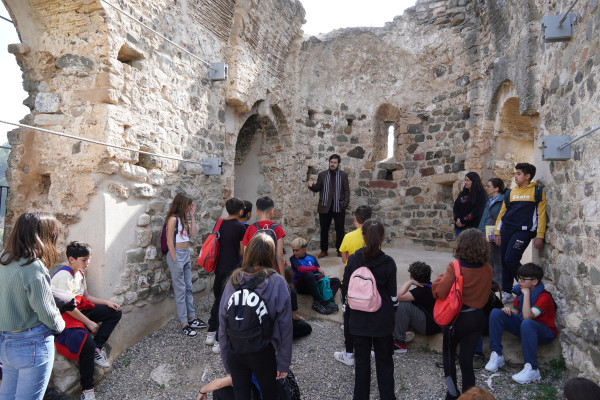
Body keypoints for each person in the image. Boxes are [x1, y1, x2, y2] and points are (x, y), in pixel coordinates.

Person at [218, 233, 292, 400]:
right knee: (270, 393)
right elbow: (285, 326)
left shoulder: (234, 279)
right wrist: (283, 361)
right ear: (270, 254)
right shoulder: (277, 282)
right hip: (263, 351)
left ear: (248, 252)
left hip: (236, 349)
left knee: (241, 394)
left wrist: (226, 358)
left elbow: (223, 322)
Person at [0, 212, 65, 400]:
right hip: (31, 342)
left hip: (6, 341)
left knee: (7, 396)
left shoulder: (3, 259)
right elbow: (46, 311)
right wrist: (60, 326)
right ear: (43, 235)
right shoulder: (33, 266)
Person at [51, 241, 123, 400]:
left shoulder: (80, 273)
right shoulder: (64, 275)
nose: (87, 263)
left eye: (88, 259)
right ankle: (87, 390)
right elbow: (67, 307)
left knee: (114, 313)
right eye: (84, 260)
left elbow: (87, 297)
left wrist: (107, 303)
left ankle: (98, 347)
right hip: (65, 316)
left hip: (80, 309)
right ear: (71, 259)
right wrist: (89, 322)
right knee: (85, 344)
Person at [433, 228, 492, 400]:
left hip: (458, 319)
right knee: (467, 361)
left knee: (449, 356)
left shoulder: (455, 266)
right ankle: (470, 395)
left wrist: (438, 280)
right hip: (477, 318)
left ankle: (452, 394)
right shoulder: (488, 269)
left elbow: (440, 292)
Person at [342, 219, 398, 400]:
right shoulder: (389, 263)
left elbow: (346, 289)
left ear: (363, 236)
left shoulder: (353, 260)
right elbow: (393, 295)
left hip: (359, 319)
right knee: (385, 363)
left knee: (362, 363)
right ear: (383, 237)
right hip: (382, 320)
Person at [485, 263, 557, 384]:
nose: (519, 281)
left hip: (544, 332)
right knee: (496, 313)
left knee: (527, 323)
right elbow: (518, 312)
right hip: (526, 327)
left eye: (523, 279)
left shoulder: (544, 297)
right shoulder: (521, 293)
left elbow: (527, 316)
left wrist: (527, 294)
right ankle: (497, 355)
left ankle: (532, 369)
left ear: (534, 281)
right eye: (518, 278)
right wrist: (509, 310)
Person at [494, 163, 547, 303]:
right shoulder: (510, 193)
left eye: (518, 173)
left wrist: (540, 235)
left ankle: (528, 286)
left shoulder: (537, 191)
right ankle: (507, 292)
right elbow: (502, 213)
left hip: (524, 231)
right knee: (504, 261)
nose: (515, 176)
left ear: (527, 176)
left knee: (511, 259)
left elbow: (541, 215)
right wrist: (497, 232)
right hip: (506, 229)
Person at [206, 198, 247, 353]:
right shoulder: (240, 227)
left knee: (218, 300)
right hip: (232, 269)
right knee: (227, 304)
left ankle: (211, 332)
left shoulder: (219, 223)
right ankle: (219, 341)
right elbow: (241, 251)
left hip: (218, 267)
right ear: (241, 211)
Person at [165, 192, 206, 337]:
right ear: (183, 204)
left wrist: (192, 216)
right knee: (180, 289)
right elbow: (169, 241)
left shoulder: (183, 219)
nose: (190, 207)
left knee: (188, 287)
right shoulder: (172, 219)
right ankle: (184, 323)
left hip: (185, 254)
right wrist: (175, 259)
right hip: (176, 254)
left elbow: (193, 234)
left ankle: (192, 318)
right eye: (189, 205)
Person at [334, 205, 372, 365]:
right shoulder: (373, 236)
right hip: (369, 281)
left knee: (348, 313)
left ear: (355, 219)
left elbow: (344, 259)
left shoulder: (349, 237)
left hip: (351, 280)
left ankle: (349, 353)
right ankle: (368, 348)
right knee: (368, 314)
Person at [307, 154, 350, 258]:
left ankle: (340, 250)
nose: (332, 164)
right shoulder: (322, 175)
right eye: (331, 162)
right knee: (324, 229)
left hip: (339, 206)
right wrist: (311, 186)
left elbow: (346, 191)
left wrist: (344, 204)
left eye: (335, 163)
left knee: (340, 229)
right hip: (325, 206)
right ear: (329, 163)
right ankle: (324, 250)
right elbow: (317, 188)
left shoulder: (343, 175)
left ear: (338, 164)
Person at [393, 261, 440, 353]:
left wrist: (410, 282)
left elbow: (397, 297)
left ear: (412, 277)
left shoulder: (421, 291)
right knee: (408, 301)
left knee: (402, 305)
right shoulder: (430, 287)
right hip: (433, 322)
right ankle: (405, 329)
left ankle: (400, 343)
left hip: (429, 326)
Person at [289, 237, 340, 315]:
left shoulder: (312, 258)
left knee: (336, 280)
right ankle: (318, 302)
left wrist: (320, 277)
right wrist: (315, 268)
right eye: (293, 250)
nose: (294, 252)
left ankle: (328, 301)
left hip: (314, 283)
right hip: (301, 286)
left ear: (304, 250)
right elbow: (301, 269)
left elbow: (318, 272)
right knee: (309, 275)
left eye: (297, 250)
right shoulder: (293, 259)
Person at [242, 196, 286, 273]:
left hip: (255, 271)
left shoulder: (250, 228)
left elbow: (246, 254)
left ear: (256, 212)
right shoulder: (278, 228)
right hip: (273, 271)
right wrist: (283, 276)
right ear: (272, 211)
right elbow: (279, 256)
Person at [477, 178, 507, 286]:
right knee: (488, 259)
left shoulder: (503, 201)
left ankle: (498, 285)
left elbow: (502, 218)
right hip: (486, 233)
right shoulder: (489, 200)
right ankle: (490, 284)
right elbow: (484, 218)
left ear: (496, 188)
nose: (486, 188)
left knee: (497, 260)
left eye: (488, 186)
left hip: (496, 234)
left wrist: (498, 233)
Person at [453, 172, 486, 237]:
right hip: (459, 227)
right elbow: (455, 207)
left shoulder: (480, 196)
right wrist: (457, 219)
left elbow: (476, 211)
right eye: (465, 180)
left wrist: (463, 221)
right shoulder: (462, 194)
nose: (465, 182)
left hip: (472, 229)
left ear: (474, 181)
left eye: (468, 180)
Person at [284, 266, 312, 339]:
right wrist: (301, 318)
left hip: (276, 320)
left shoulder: (277, 287)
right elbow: (294, 316)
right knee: (307, 328)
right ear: (291, 274)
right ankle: (286, 336)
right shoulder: (291, 291)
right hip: (286, 320)